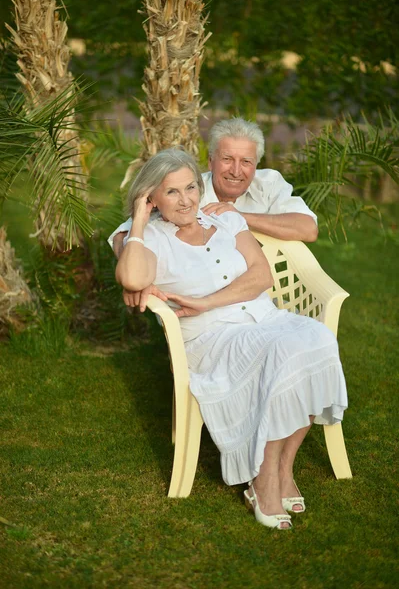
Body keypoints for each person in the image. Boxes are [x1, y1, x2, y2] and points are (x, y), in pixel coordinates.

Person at [115, 148, 348, 531]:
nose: (186, 199)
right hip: (213, 338)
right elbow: (134, 279)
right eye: (171, 192)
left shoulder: (222, 220)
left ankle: (281, 469)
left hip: (263, 318)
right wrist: (138, 223)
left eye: (191, 187)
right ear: (151, 198)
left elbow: (261, 277)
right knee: (286, 353)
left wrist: (206, 301)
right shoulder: (150, 238)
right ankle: (264, 482)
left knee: (317, 339)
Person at [109, 118, 318, 309]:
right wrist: (140, 282)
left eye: (246, 162)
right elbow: (122, 236)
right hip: (204, 303)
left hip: (259, 295)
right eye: (227, 159)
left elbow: (308, 229)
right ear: (210, 161)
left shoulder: (269, 183)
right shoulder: (188, 192)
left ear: (256, 165)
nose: (236, 171)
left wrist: (239, 216)